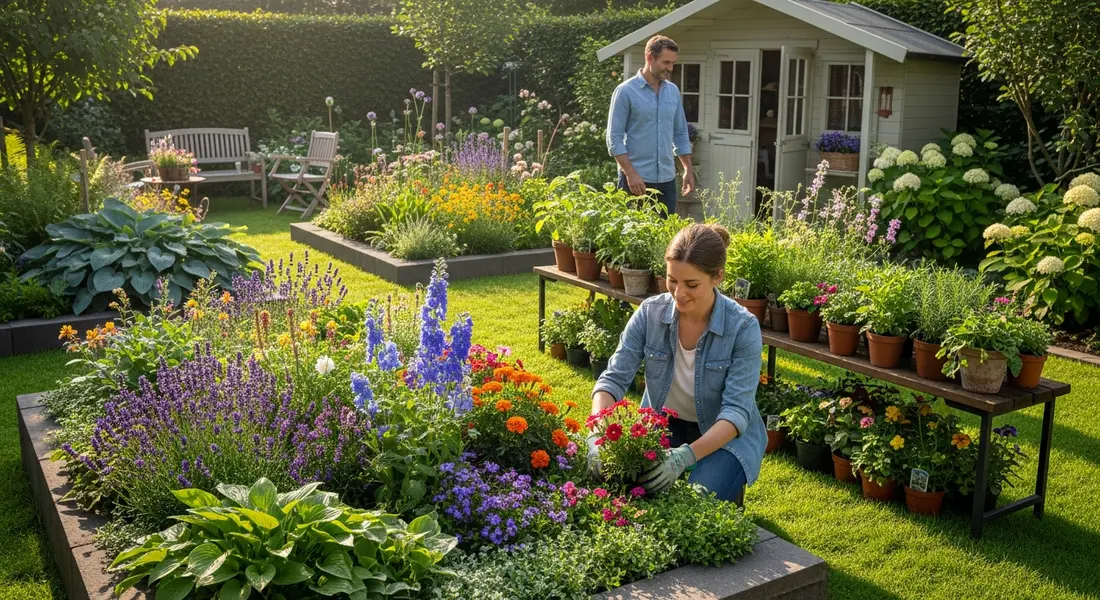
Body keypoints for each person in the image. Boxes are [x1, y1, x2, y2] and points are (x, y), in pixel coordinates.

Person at [586, 223, 765, 502]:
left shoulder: (742, 327)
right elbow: (612, 380)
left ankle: (724, 480)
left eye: (691, 284)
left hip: (724, 436)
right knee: (630, 490)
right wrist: (599, 435)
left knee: (697, 500)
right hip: (664, 425)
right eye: (672, 280)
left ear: (718, 277)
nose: (679, 293)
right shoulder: (650, 313)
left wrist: (685, 457)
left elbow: (736, 414)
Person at [606, 34, 696, 217]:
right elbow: (613, 138)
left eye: (672, 63)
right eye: (665, 62)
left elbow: (680, 132)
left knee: (664, 239)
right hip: (636, 180)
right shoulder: (625, 92)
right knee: (633, 238)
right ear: (649, 58)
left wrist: (687, 169)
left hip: (667, 180)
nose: (670, 68)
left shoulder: (672, 92)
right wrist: (630, 174)